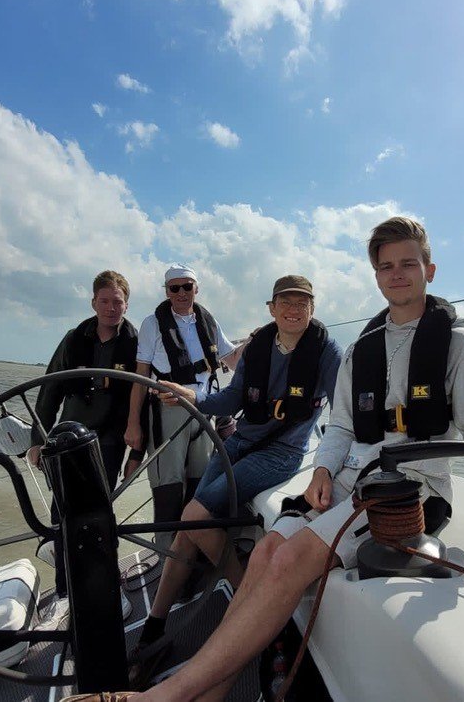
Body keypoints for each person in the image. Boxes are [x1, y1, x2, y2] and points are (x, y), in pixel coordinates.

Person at [123, 217, 464, 702]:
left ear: (429, 270)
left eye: (408, 264)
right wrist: (323, 470)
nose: (397, 274)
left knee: (287, 557)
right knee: (265, 551)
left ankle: (164, 697)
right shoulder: (362, 350)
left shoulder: (463, 347)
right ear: (376, 275)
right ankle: (209, 692)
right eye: (387, 266)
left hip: (410, 488)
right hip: (348, 477)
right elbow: (342, 427)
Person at [130, 275, 342, 673]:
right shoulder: (258, 346)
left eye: (303, 303)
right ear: (272, 308)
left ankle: (250, 601)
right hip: (241, 441)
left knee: (194, 514)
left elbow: (344, 410)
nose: (294, 309)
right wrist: (193, 396)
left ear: (312, 309)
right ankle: (154, 626)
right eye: (286, 302)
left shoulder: (327, 350)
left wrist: (331, 465)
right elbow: (231, 397)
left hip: (281, 453)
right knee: (188, 527)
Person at [27, 269, 143, 596]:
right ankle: (65, 592)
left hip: (109, 440)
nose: (111, 308)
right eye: (104, 301)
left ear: (126, 304)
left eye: (117, 302)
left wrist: (136, 453)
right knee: (61, 514)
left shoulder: (136, 344)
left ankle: (105, 587)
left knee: (98, 513)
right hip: (67, 439)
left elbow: (143, 404)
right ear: (93, 303)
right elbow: (49, 393)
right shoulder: (73, 339)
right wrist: (37, 441)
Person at [125, 264, 236, 550]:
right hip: (168, 412)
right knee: (168, 489)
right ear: (167, 292)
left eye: (187, 286)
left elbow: (234, 360)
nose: (181, 293)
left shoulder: (209, 321)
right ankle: (166, 556)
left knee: (200, 487)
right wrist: (133, 423)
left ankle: (192, 556)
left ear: (196, 289)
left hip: (204, 411)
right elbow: (140, 376)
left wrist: (264, 340)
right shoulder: (152, 324)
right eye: (174, 288)